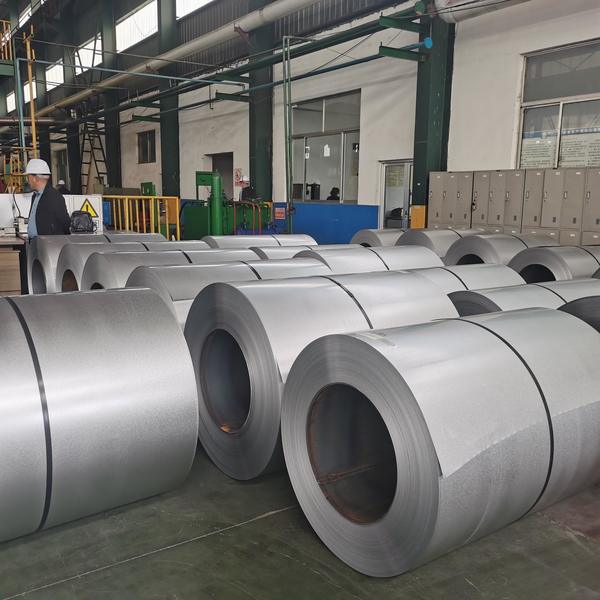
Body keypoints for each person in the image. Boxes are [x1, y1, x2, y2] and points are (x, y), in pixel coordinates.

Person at [25, 159, 70, 238]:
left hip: (48, 243)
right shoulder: (35, 196)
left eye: (28, 177)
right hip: (35, 242)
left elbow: (65, 222)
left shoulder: (54, 197)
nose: (28, 181)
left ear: (34, 178)